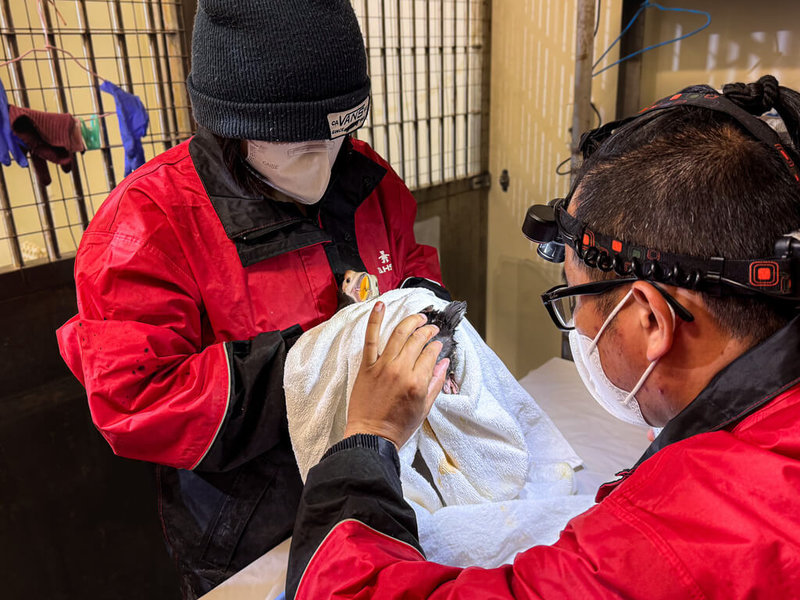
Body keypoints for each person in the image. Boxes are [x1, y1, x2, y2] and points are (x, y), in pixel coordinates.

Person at [284, 75, 800, 599]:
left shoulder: (674, 541)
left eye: (574, 298)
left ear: (649, 320)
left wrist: (367, 436)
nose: (579, 325)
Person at [55, 1, 447, 597]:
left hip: (380, 484)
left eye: (337, 134)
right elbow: (136, 398)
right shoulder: (149, 222)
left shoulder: (367, 179)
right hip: (246, 524)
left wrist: (426, 311)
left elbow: (411, 263)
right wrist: (322, 362)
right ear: (231, 127)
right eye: (296, 145)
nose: (324, 159)